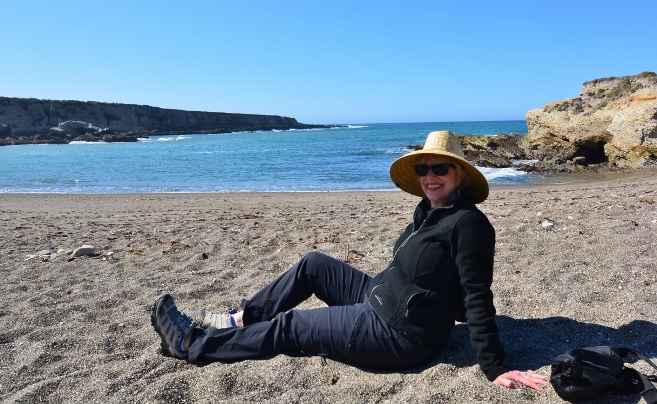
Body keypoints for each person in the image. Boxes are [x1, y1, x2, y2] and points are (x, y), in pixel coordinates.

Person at [150, 130, 546, 391]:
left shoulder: (469, 224)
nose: (430, 177)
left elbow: (477, 296)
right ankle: (241, 319)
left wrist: (494, 367)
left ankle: (193, 344)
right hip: (375, 296)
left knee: (292, 326)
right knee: (313, 263)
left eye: (440, 168)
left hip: (398, 335)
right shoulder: (428, 212)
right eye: (424, 168)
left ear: (459, 173)